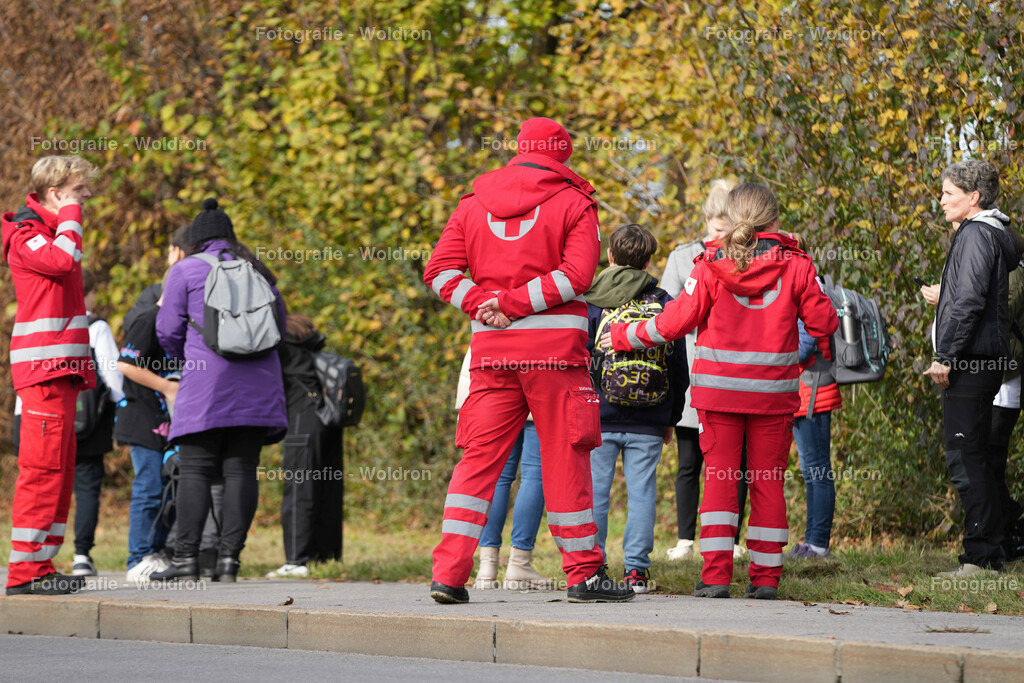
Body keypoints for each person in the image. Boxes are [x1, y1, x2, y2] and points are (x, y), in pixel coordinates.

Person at [424, 116, 633, 604]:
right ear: (562, 154)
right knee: (565, 459)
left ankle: (449, 574)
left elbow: (438, 271)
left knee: (479, 462)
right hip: (556, 358)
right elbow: (579, 275)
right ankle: (584, 575)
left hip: (493, 355)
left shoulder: (473, 204)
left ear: (518, 149)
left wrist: (484, 303)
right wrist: (515, 302)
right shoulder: (574, 201)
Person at [601, 182, 838, 600]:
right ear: (775, 219)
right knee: (767, 482)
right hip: (773, 396)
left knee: (720, 482)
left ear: (730, 217)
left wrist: (622, 335)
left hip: (718, 397)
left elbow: (672, 324)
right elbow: (825, 324)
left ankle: (714, 579)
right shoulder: (797, 265)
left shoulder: (708, 264)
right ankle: (765, 579)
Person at [151, 198, 288, 582]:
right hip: (258, 387)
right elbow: (279, 327)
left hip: (206, 386)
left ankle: (187, 560)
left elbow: (167, 329)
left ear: (196, 240)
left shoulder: (185, 270)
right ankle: (230, 562)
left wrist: (187, 360)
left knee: (194, 469)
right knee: (242, 469)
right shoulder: (258, 270)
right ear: (229, 235)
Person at [2, 155, 97, 595]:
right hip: (44, 370)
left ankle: (41, 566)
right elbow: (62, 262)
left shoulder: (46, 234)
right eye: (79, 192)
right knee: (42, 470)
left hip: (60, 371)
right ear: (55, 193)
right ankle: (24, 573)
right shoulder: (27, 237)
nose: (87, 198)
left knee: (57, 470)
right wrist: (71, 215)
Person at [923, 160, 1021, 577]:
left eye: (948, 192)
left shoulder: (978, 234)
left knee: (967, 457)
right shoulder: (985, 232)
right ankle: (993, 551)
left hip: (972, 361)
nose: (941, 199)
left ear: (973, 197)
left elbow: (969, 302)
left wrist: (945, 355)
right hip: (980, 359)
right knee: (976, 454)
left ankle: (980, 558)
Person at [586, 223, 688, 592]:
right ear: (648, 261)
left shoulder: (593, 300)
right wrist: (670, 418)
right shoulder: (663, 302)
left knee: (596, 491)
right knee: (641, 491)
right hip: (650, 415)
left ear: (610, 257)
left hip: (601, 416)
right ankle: (637, 573)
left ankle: (593, 567)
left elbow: (580, 357)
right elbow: (679, 365)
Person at [661, 179, 749, 562]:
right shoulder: (682, 258)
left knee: (735, 462)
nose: (720, 237)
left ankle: (731, 538)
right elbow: (666, 312)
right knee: (688, 462)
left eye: (726, 231)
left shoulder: (749, 257)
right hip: (691, 372)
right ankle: (684, 540)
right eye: (715, 230)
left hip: (733, 372)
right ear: (706, 223)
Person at [117, 225, 189, 584]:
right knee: (148, 488)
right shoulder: (148, 319)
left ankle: (157, 553)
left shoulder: (179, 328)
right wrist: (166, 386)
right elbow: (125, 364)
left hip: (169, 425)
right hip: (142, 419)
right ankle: (137, 558)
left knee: (168, 490)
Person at [455, 351, 552, 591]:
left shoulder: (485, 311)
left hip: (487, 382)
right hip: (536, 376)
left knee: (497, 477)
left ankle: (487, 568)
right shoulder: (534, 311)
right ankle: (519, 565)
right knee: (534, 474)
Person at [267, 313, 344, 578]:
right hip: (327, 418)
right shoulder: (309, 344)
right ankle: (325, 556)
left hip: (302, 419)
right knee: (327, 489)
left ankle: (296, 560)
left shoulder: (281, 344)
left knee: (299, 489)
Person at [70, 269, 125, 577]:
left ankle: (38, 553)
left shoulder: (46, 324)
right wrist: (119, 408)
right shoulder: (95, 327)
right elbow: (112, 375)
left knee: (52, 487)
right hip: (89, 423)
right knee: (88, 486)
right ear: (88, 293)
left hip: (48, 421)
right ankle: (81, 556)